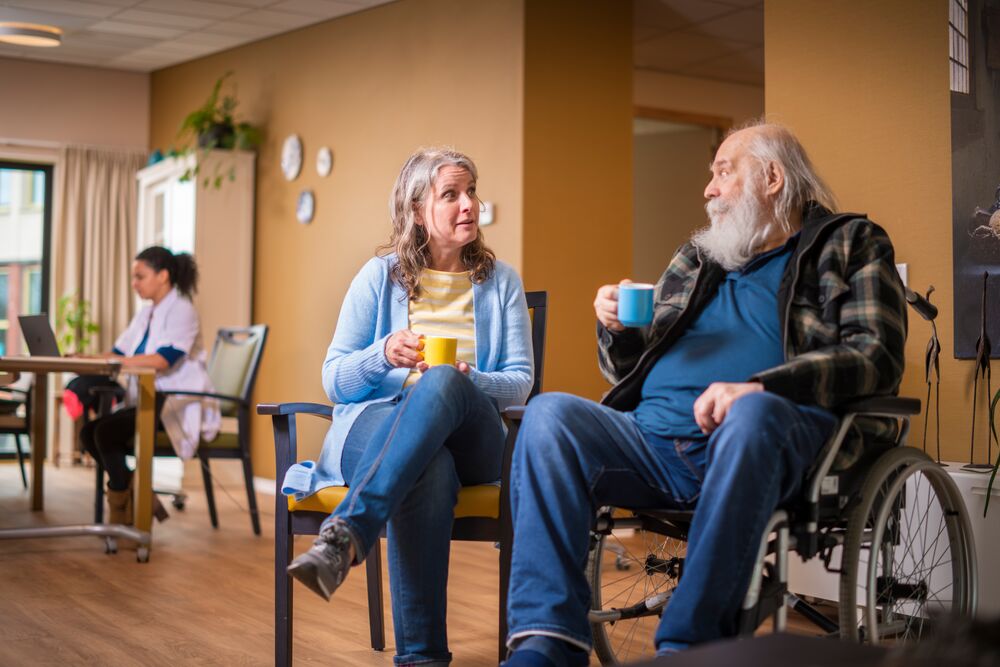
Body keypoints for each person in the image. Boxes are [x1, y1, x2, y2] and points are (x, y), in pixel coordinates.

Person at [502, 122, 907, 666]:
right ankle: (546, 644)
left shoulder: (851, 243)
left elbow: (874, 356)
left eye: (722, 172)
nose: (708, 190)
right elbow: (632, 365)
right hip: (651, 440)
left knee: (755, 414)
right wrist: (618, 330)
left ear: (772, 177)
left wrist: (761, 386)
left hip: (769, 433)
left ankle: (686, 648)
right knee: (548, 414)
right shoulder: (698, 259)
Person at [280, 148, 533, 666]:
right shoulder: (378, 277)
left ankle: (348, 533)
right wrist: (380, 355)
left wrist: (469, 380)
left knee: (440, 383)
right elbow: (334, 379)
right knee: (430, 469)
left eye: (472, 192)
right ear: (418, 210)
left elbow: (521, 384)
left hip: (474, 437)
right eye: (451, 195)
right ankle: (422, 659)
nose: (469, 204)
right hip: (378, 428)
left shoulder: (501, 281)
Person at [80, 246, 220, 527]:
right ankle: (140, 494)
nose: (134, 284)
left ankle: (123, 512)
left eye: (140, 277)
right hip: (148, 399)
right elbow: (117, 353)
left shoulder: (183, 310)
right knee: (88, 432)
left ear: (163, 275)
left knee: (105, 432)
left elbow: (161, 361)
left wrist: (110, 360)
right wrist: (82, 358)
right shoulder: (145, 315)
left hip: (174, 402)